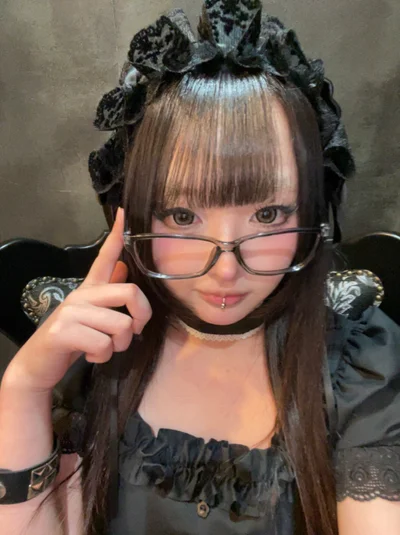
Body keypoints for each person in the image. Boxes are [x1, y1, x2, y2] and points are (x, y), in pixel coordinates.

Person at [0, 1, 399, 534]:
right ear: (132, 215)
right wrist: (24, 386)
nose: (226, 269)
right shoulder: (97, 356)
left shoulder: (359, 370)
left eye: (268, 215)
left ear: (311, 211)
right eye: (182, 216)